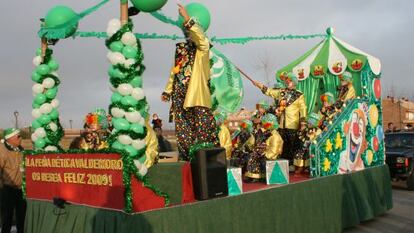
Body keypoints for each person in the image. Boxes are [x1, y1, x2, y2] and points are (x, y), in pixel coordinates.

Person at [161, 4, 218, 160]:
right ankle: (187, 161)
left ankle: (205, 164)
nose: (187, 32)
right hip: (180, 95)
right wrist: (167, 90)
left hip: (197, 96)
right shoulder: (181, 50)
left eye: (189, 29)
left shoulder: (203, 49)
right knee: (183, 132)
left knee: (202, 131)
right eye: (186, 30)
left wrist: (187, 17)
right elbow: (175, 71)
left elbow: (201, 39)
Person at [253, 72, 307, 173]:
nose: (287, 82)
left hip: (292, 123)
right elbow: (270, 92)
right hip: (281, 123)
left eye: (290, 81)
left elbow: (303, 109)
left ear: (294, 82)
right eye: (286, 80)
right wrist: (259, 85)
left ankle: (291, 163)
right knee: (283, 144)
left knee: (291, 144)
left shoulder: (299, 95)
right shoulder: (281, 92)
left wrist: (303, 123)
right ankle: (283, 163)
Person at [0, 128, 26, 233]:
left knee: (22, 217)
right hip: (7, 189)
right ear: (10, 138)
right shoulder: (2, 151)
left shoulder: (21, 149)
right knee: (7, 218)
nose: (21, 138)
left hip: (21, 189)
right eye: (18, 136)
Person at [245, 114, 283, 182]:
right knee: (252, 156)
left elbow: (274, 150)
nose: (264, 125)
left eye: (266, 124)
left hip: (271, 154)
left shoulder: (275, 135)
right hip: (263, 151)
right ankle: (253, 175)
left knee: (256, 158)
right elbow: (258, 142)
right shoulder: (264, 132)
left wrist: (265, 154)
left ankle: (257, 176)